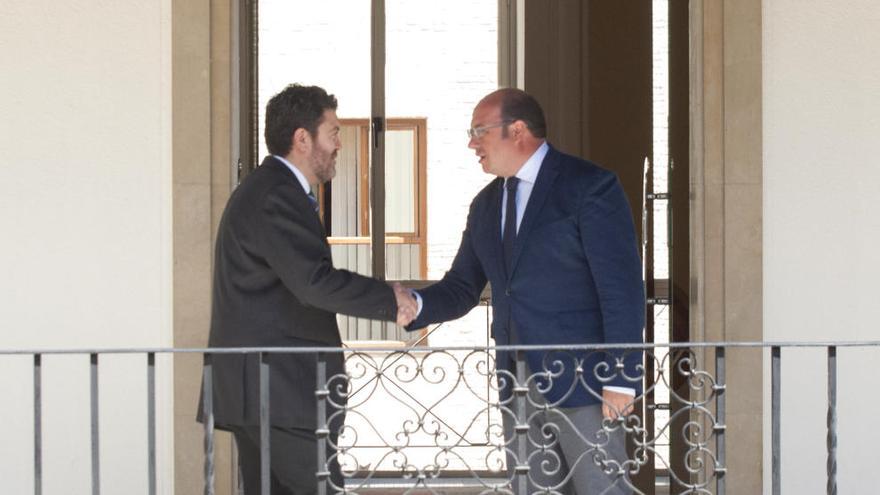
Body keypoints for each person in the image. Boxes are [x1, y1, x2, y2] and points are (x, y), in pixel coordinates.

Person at [407, 88, 644, 494]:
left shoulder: (589, 186)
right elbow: (462, 287)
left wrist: (622, 377)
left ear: (517, 130)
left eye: (479, 130)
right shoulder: (485, 205)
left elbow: (621, 288)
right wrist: (413, 304)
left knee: (602, 489)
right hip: (516, 381)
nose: (471, 142)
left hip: (585, 382)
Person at [197, 84, 417, 495]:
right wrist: (391, 300)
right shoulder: (276, 195)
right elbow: (313, 282)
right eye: (333, 132)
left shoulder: (272, 190)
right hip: (279, 390)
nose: (339, 145)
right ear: (302, 138)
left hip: (267, 390)